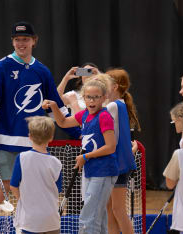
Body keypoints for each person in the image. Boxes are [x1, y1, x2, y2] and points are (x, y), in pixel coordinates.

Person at [0, 21, 80, 226]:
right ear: (12, 42)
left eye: (25, 39)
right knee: (0, 191)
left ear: (34, 41)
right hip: (6, 143)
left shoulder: (42, 71)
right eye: (17, 39)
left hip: (34, 145)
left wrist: (78, 133)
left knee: (34, 191)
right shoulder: (0, 68)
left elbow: (57, 108)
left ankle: (29, 228)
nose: (21, 43)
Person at [42, 74, 118, 234]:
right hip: (92, 170)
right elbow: (62, 122)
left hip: (103, 171)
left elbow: (111, 147)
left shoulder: (104, 117)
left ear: (104, 98)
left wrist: (85, 156)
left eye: (96, 98)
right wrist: (55, 106)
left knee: (88, 218)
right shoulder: (84, 115)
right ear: (83, 97)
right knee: (99, 217)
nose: (92, 101)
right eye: (88, 97)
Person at [10, 116, 62, 234]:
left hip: (31, 220)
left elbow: (13, 186)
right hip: (51, 219)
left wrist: (23, 201)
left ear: (30, 136)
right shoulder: (56, 162)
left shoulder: (22, 158)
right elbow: (58, 189)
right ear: (51, 138)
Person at [105, 69, 141, 234]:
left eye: (105, 82)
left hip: (116, 164)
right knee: (110, 209)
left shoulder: (114, 105)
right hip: (112, 162)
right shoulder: (118, 104)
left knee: (117, 209)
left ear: (115, 86)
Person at [163, 102, 183, 234]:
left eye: (174, 122)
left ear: (180, 121)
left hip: (182, 220)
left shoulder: (179, 155)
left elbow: (169, 184)